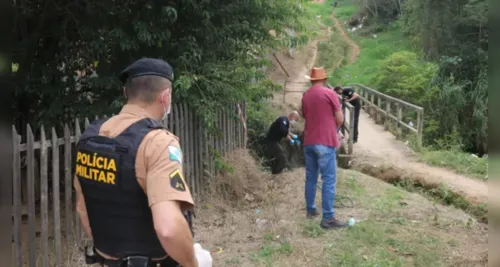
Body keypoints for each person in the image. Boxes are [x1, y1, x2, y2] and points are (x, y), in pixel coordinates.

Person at [73, 58, 199, 267]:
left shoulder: (91, 137)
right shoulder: (158, 142)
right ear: (165, 96)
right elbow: (168, 228)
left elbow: (83, 207)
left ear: (125, 93)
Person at [301, 67, 347, 229]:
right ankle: (328, 217)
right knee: (328, 179)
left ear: (311, 80)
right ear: (324, 79)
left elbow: (305, 116)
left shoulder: (306, 95)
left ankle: (311, 209)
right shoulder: (330, 94)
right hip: (325, 141)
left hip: (309, 141)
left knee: (311, 177)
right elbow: (340, 118)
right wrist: (333, 129)